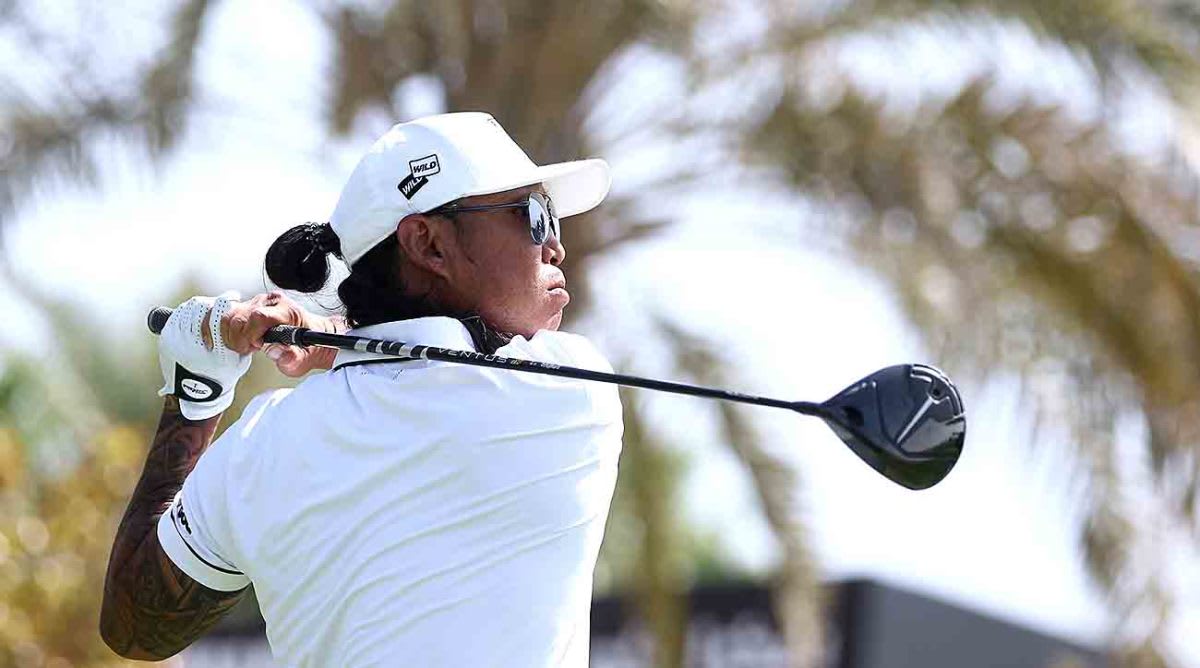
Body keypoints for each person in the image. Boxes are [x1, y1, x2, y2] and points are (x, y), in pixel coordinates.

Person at [99, 112, 624, 666]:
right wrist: (329, 336)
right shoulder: (572, 390)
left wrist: (196, 387)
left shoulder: (261, 445)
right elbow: (433, 361)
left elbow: (136, 628)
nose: (554, 247)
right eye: (534, 216)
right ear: (428, 244)